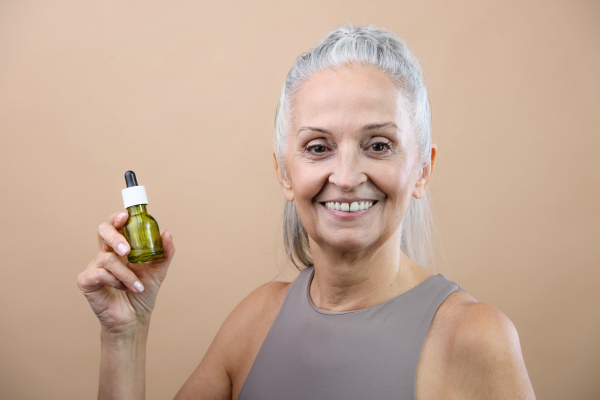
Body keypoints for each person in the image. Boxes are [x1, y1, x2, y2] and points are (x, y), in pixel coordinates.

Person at [77, 25, 536, 399]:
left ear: (422, 171)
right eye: (318, 148)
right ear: (284, 173)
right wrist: (125, 333)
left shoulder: (476, 338)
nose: (346, 174)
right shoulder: (254, 319)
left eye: (379, 145)